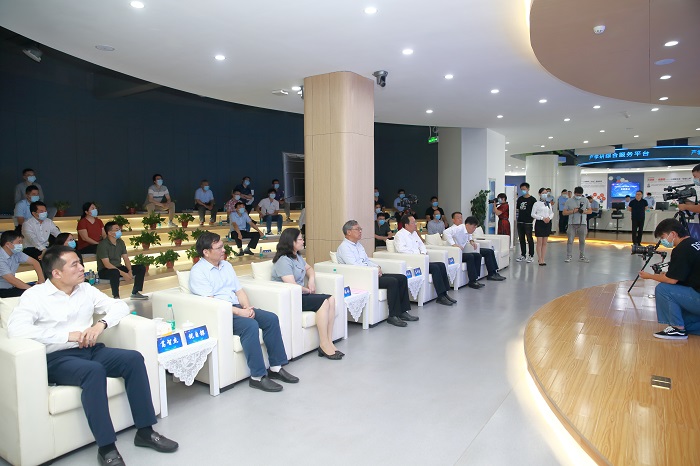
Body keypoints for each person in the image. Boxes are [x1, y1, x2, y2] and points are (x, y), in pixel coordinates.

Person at [7, 246, 179, 465]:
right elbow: (17, 329)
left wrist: (101, 324)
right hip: (58, 358)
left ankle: (145, 431)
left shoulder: (85, 289)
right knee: (93, 371)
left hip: (90, 350)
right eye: (75, 265)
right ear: (56, 273)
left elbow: (119, 306)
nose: (82, 268)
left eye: (80, 263)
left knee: (133, 359)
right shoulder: (35, 296)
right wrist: (66, 336)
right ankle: (107, 448)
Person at [189, 232, 299, 392]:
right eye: (219, 248)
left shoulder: (226, 266)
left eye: (222, 246)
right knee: (250, 325)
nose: (223, 250)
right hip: (220, 314)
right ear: (206, 252)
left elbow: (239, 291)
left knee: (271, 319)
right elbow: (213, 303)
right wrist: (240, 313)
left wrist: (247, 308)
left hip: (237, 308)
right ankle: (257, 377)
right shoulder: (198, 272)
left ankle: (276, 367)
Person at [271, 228, 342, 359]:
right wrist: (307, 289)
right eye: (300, 239)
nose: (303, 241)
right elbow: (292, 285)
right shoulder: (283, 261)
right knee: (324, 302)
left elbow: (309, 269)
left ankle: (329, 341)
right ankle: (324, 344)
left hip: (302, 295)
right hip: (292, 298)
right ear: (291, 242)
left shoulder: (297, 256)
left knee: (331, 299)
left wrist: (312, 280)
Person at [337, 220, 418, 327]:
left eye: (360, 229)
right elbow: (355, 266)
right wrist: (374, 271)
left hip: (370, 273)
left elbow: (366, 260)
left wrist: (377, 267)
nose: (360, 231)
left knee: (402, 278)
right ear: (348, 232)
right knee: (392, 282)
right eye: (357, 229)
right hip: (362, 277)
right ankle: (393, 316)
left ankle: (403, 312)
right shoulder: (344, 247)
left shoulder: (358, 245)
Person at [639, 219, 700, 339]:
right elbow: (685, 272)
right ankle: (682, 326)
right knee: (685, 321)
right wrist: (667, 275)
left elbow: (671, 280)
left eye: (663, 237)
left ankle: (678, 329)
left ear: (673, 234)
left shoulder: (681, 249)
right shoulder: (694, 242)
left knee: (663, 289)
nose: (663, 241)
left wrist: (649, 276)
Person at [394, 215, 455, 306]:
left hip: (421, 259)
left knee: (441, 265)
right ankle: (440, 296)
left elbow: (422, 245)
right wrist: (418, 255)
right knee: (435, 268)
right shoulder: (400, 235)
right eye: (413, 222)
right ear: (406, 225)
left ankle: (445, 293)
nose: (415, 224)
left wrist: (423, 253)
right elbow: (401, 250)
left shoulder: (414, 233)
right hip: (412, 261)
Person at [444, 213, 506, 289]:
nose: (474, 229)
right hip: (455, 253)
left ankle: (488, 274)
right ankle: (472, 281)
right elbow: (446, 232)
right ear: (467, 225)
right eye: (473, 227)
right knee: (470, 256)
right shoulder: (458, 228)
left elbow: (469, 234)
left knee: (479, 255)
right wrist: (453, 244)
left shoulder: (466, 229)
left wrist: (471, 241)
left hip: (462, 250)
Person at [96, 222, 148, 300]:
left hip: (118, 268)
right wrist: (124, 274)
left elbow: (126, 258)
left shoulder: (120, 242)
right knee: (115, 272)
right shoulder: (103, 245)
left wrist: (130, 271)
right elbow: (107, 265)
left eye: (119, 229)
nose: (119, 231)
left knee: (141, 268)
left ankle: (135, 292)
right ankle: (116, 297)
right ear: (110, 233)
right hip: (105, 271)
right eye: (117, 229)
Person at [0, 230, 44, 297]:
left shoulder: (17, 253)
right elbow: (11, 280)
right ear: (8, 244)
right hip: (2, 290)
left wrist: (41, 280)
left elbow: (35, 263)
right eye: (19, 242)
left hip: (11, 287)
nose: (21, 245)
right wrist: (32, 290)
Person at [563, 186, 592, 263]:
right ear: (574, 193)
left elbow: (590, 211)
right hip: (571, 223)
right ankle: (569, 256)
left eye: (580, 195)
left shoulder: (585, 200)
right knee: (570, 240)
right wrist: (573, 211)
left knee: (582, 241)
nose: (578, 196)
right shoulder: (569, 201)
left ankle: (582, 256)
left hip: (582, 223)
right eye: (577, 195)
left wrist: (583, 211)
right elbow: (564, 212)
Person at [532, 188, 554, 266]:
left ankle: (543, 258)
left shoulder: (548, 203)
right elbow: (533, 214)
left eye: (546, 193)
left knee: (545, 242)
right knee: (539, 242)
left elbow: (551, 213)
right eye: (543, 193)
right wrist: (542, 218)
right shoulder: (536, 204)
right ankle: (539, 258)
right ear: (539, 194)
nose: (545, 194)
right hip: (540, 223)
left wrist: (549, 218)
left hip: (547, 223)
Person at [515, 182, 536, 263]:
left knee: (529, 238)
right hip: (520, 221)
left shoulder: (532, 199)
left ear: (528, 189)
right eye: (521, 189)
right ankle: (523, 254)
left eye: (524, 189)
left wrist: (531, 220)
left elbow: (535, 211)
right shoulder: (520, 199)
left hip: (528, 222)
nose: (523, 191)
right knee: (521, 239)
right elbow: (517, 209)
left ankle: (531, 255)